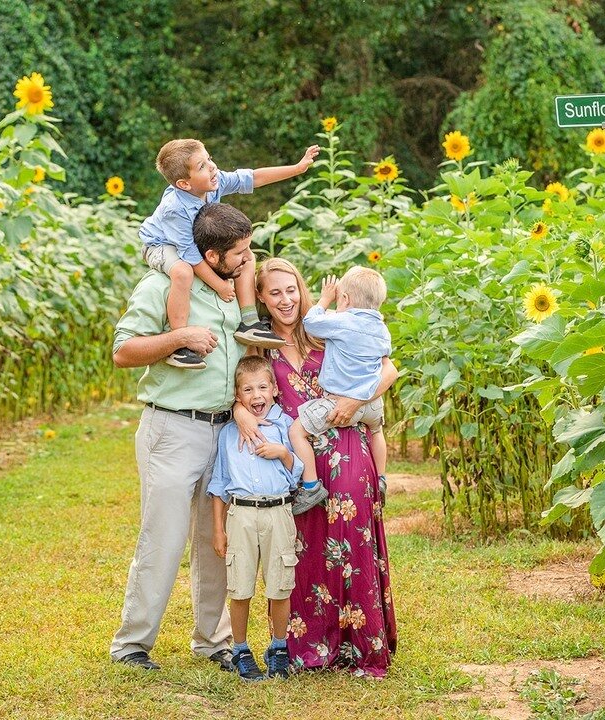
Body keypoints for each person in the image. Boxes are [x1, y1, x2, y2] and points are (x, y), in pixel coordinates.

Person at [109, 202, 258, 672]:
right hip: (173, 428)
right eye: (240, 252)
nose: (248, 258)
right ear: (210, 256)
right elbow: (124, 351)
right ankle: (133, 644)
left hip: (225, 432)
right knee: (165, 539)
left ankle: (213, 642)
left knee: (218, 541)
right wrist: (179, 338)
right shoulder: (161, 285)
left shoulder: (234, 292)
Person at [234, 257, 398, 678]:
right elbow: (241, 389)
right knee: (304, 549)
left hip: (347, 448)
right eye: (274, 292)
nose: (286, 299)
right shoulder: (258, 344)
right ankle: (311, 645)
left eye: (291, 289)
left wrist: (356, 402)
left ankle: (360, 645)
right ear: (262, 299)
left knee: (352, 543)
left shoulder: (324, 326)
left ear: (302, 289)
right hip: (298, 463)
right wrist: (240, 412)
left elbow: (389, 369)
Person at [139, 138, 319, 369]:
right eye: (202, 166)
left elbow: (253, 178)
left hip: (196, 242)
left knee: (246, 256)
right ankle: (180, 343)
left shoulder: (214, 182)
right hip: (161, 244)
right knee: (182, 273)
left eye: (209, 159)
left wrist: (296, 168)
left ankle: (249, 322)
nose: (212, 167)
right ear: (184, 184)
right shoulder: (174, 209)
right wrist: (219, 285)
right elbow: (190, 254)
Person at [208, 355, 303, 681]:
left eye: (263, 387)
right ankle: (241, 650)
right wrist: (218, 530)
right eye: (248, 389)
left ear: (275, 389)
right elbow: (219, 485)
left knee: (280, 586)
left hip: (279, 513)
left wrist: (284, 454)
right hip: (242, 515)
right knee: (241, 588)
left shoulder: (285, 427)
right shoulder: (228, 434)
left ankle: (278, 647)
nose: (257, 395)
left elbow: (298, 476)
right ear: (238, 396)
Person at [288, 268, 392, 515]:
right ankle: (382, 478)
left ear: (344, 299)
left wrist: (324, 300)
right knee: (377, 430)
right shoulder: (382, 329)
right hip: (371, 403)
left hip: (337, 403)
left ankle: (311, 486)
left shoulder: (343, 322)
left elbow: (311, 323)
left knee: (296, 432)